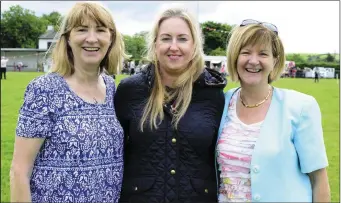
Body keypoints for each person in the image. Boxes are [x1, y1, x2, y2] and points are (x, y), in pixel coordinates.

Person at [10, 2, 126, 202]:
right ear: (68, 39)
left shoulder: (113, 88)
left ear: (111, 38)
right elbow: (19, 171)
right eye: (81, 30)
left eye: (100, 30)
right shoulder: (44, 90)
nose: (92, 38)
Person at [114, 7, 227, 203]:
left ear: (194, 45)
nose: (173, 47)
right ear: (155, 43)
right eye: (166, 38)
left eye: (182, 39)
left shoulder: (213, 93)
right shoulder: (129, 90)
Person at [216, 19, 330, 202]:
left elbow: (319, 179)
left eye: (263, 53)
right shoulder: (221, 102)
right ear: (234, 57)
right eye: (245, 52)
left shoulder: (301, 107)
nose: (254, 61)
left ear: (275, 60)